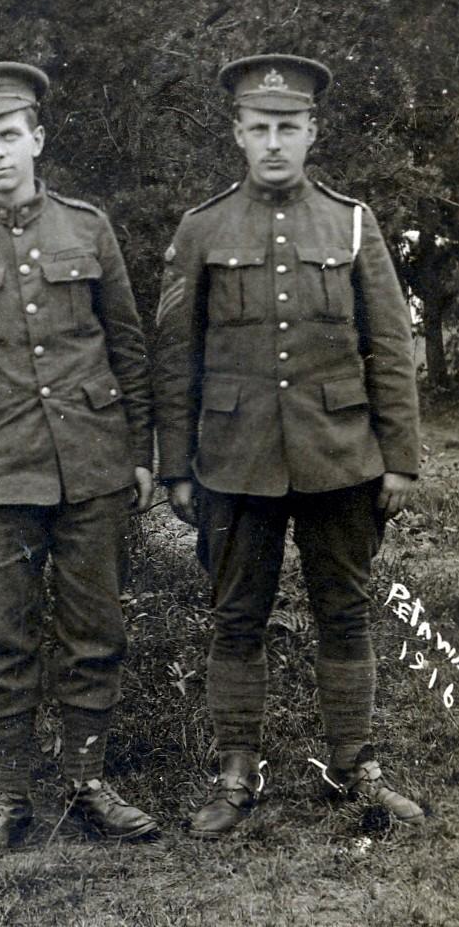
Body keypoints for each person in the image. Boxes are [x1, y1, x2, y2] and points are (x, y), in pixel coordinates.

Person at [153, 53, 425, 837]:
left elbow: (390, 344)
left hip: (338, 453)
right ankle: (236, 769)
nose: (274, 141)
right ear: (237, 134)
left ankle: (353, 764)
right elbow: (176, 355)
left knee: (347, 611)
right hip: (235, 459)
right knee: (235, 617)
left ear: (312, 132)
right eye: (259, 127)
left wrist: (399, 456)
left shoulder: (349, 221)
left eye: (289, 127)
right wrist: (177, 465)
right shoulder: (201, 227)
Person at [0, 61, 158, 854]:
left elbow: (126, 344)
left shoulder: (87, 224)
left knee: (95, 628)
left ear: (36, 138)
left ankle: (86, 784)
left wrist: (140, 451)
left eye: (11, 134)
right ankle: (9, 795)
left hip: (90, 460)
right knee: (3, 638)